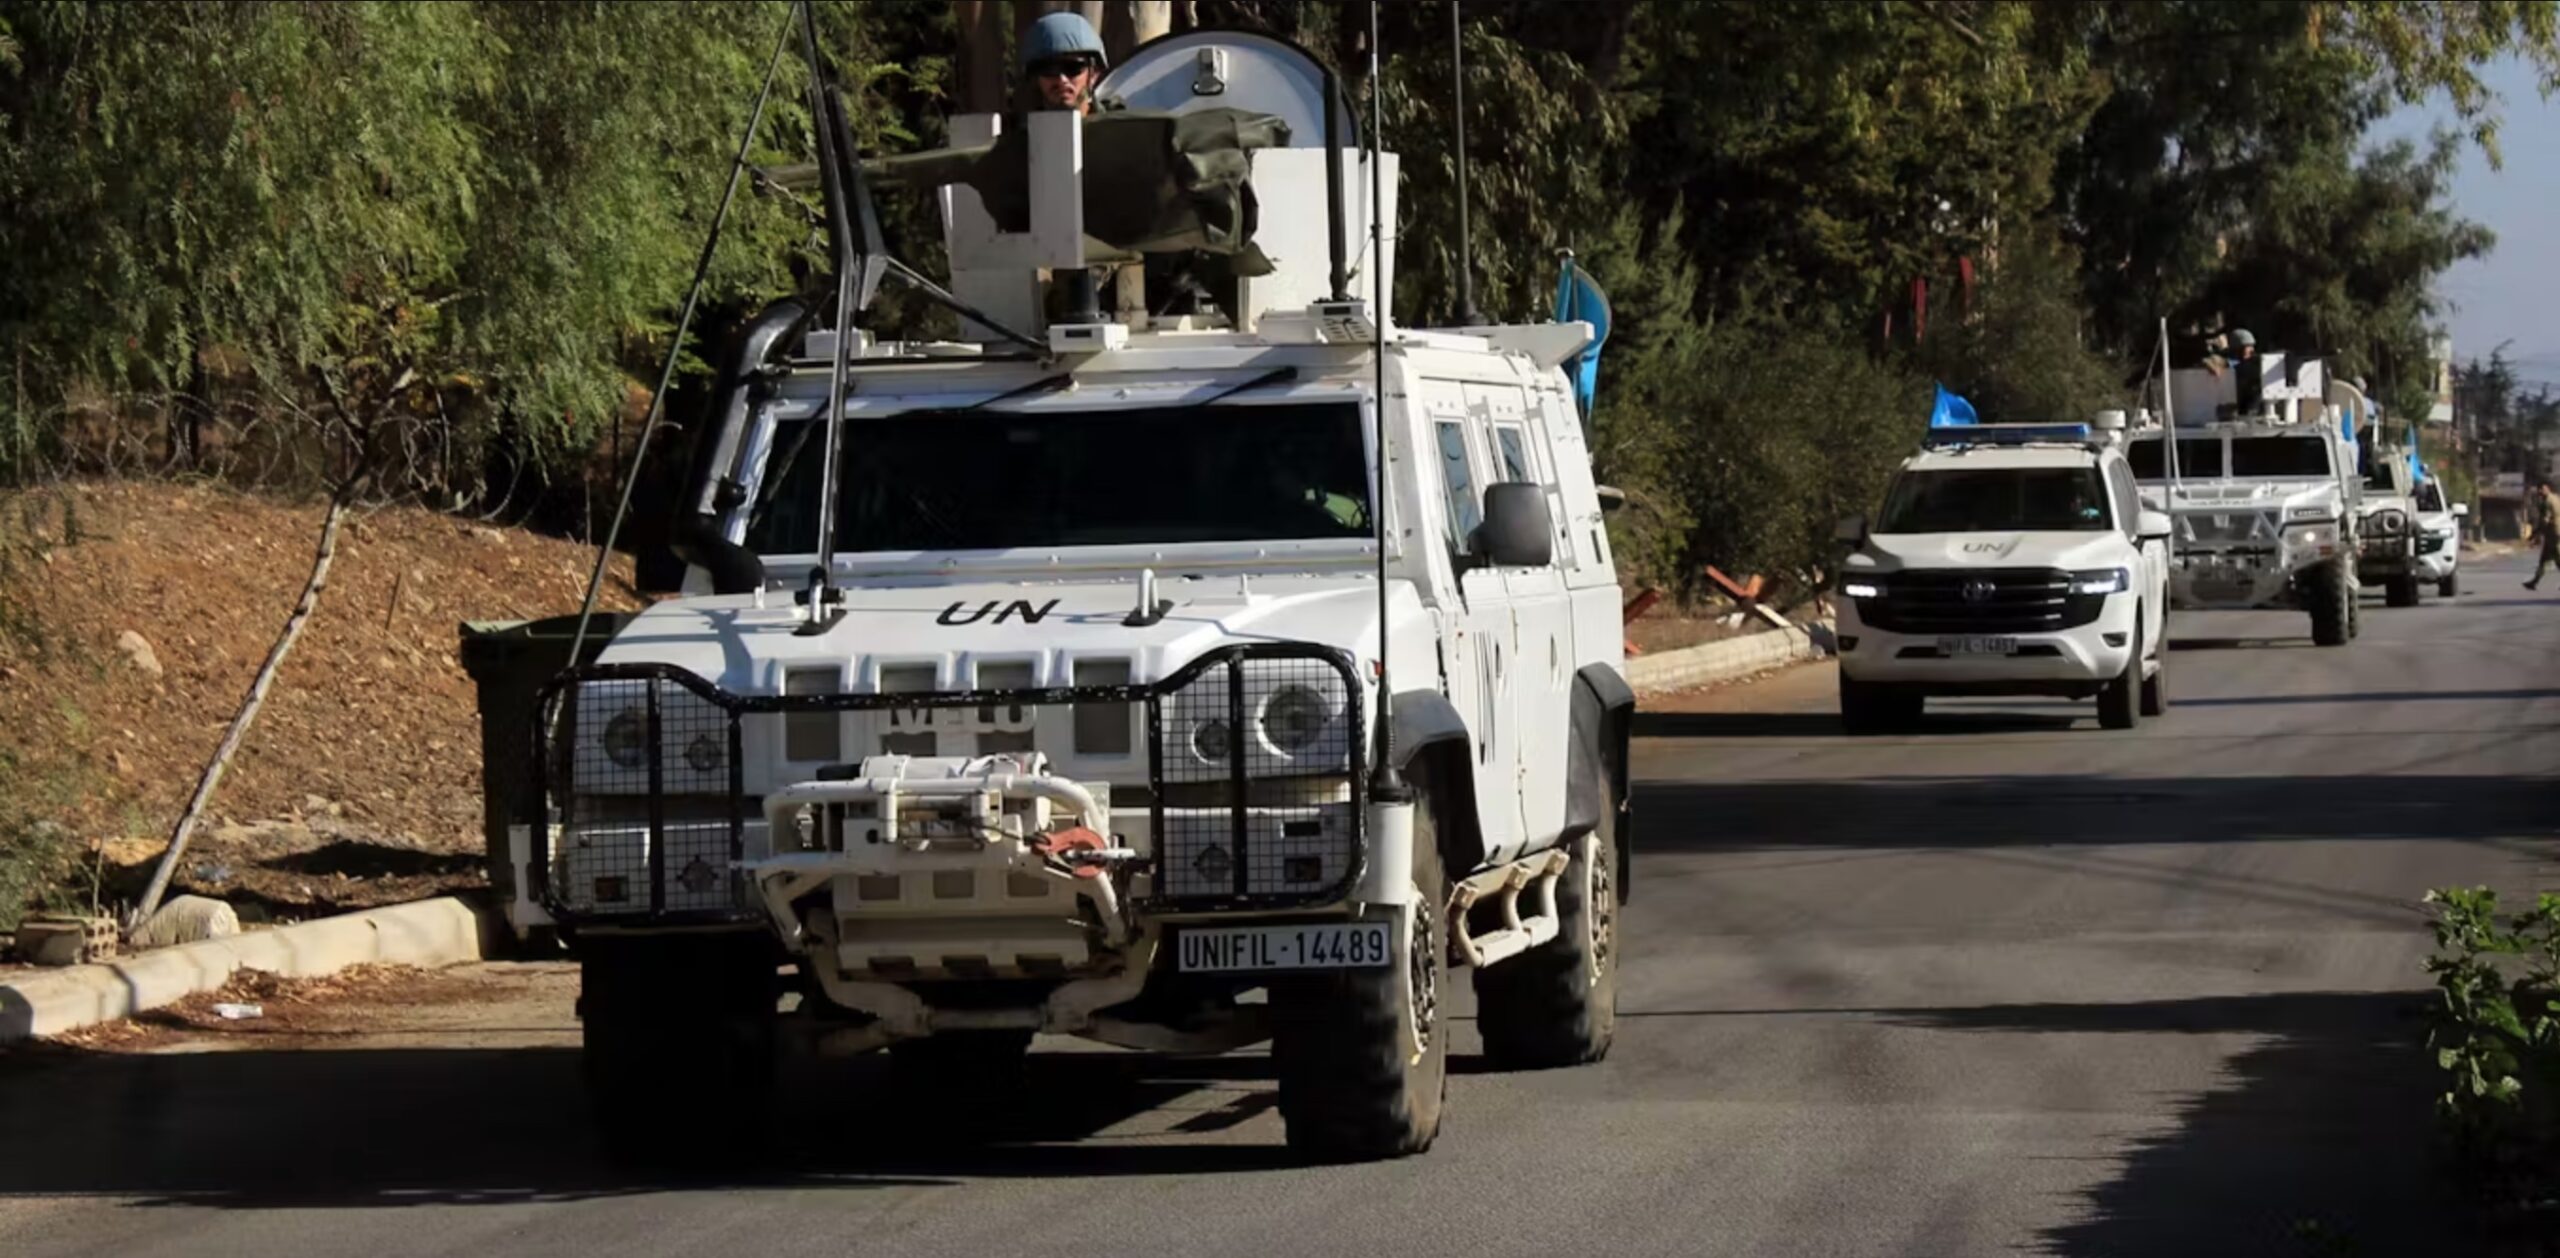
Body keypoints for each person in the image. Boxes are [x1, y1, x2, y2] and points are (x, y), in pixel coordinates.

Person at [1021, 11, 1109, 115]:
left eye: (1072, 68)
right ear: (1035, 78)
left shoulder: (1122, 128)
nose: (1062, 80)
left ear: (1093, 74)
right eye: (1049, 70)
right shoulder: (1022, 131)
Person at [2527, 476, 2560, 590]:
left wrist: (2535, 534)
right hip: (2554, 534)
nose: (2539, 491)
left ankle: (2534, 582)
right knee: (2544, 560)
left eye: (2541, 489)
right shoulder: (2556, 498)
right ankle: (2534, 582)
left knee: (2557, 558)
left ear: (2547, 488)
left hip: (2554, 534)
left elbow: (2545, 521)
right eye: (2538, 489)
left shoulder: (2547, 502)